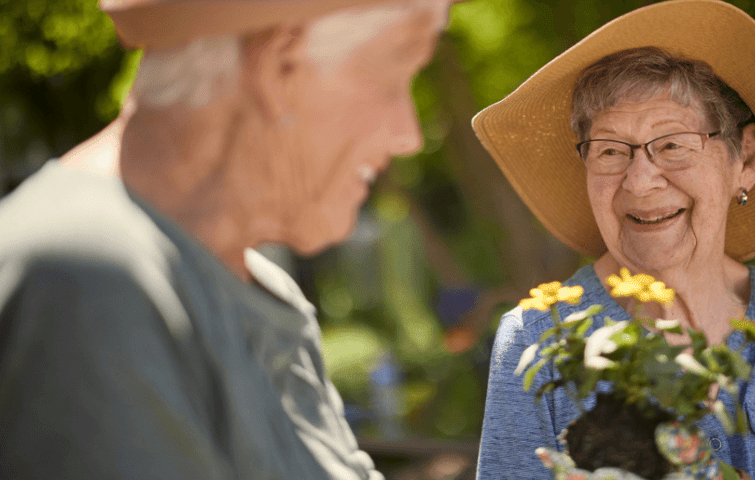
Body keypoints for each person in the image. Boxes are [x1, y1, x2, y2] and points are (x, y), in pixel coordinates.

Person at [0, 0, 454, 477]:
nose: (409, 135)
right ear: (278, 66)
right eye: (393, 78)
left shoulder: (263, 290)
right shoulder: (87, 280)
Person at [473, 1, 755, 478]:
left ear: (744, 160)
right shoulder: (538, 338)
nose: (639, 181)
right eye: (609, 150)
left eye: (672, 144)